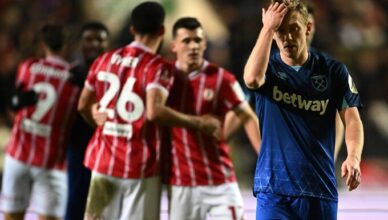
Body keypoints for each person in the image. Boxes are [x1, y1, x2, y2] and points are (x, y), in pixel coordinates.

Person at [77, 2, 220, 219]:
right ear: (162, 30)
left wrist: (95, 119)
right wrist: (198, 122)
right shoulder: (157, 66)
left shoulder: (104, 59)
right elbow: (155, 111)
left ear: (132, 29)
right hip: (140, 166)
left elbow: (82, 105)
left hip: (104, 161)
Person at [244, 0, 364, 219]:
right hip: (273, 189)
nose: (287, 37)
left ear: (308, 28)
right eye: (280, 31)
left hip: (319, 188)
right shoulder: (267, 69)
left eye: (294, 29)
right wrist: (267, 27)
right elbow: (251, 79)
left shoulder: (333, 71)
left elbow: (352, 118)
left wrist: (353, 157)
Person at [164, 17, 260, 220]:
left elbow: (248, 116)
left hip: (220, 181)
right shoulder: (164, 80)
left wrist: (264, 156)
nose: (193, 46)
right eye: (186, 41)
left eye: (198, 40)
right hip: (182, 184)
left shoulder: (222, 79)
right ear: (174, 45)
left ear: (205, 44)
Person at [1, 23, 80, 220]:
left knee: (11, 216)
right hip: (51, 162)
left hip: (19, 156)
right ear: (68, 45)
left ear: (43, 45)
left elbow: (15, 106)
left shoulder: (28, 67)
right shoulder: (74, 80)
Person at [65, 21, 109, 220]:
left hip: (106, 152)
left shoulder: (115, 75)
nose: (94, 44)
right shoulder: (70, 74)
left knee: (102, 211)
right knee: (75, 202)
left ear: (108, 44)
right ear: (80, 44)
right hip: (77, 150)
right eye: (88, 39)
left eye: (99, 39)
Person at [305, 4, 345, 162]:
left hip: (318, 154)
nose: (307, 30)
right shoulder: (269, 65)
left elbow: (340, 114)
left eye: (310, 24)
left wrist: (331, 156)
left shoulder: (329, 67)